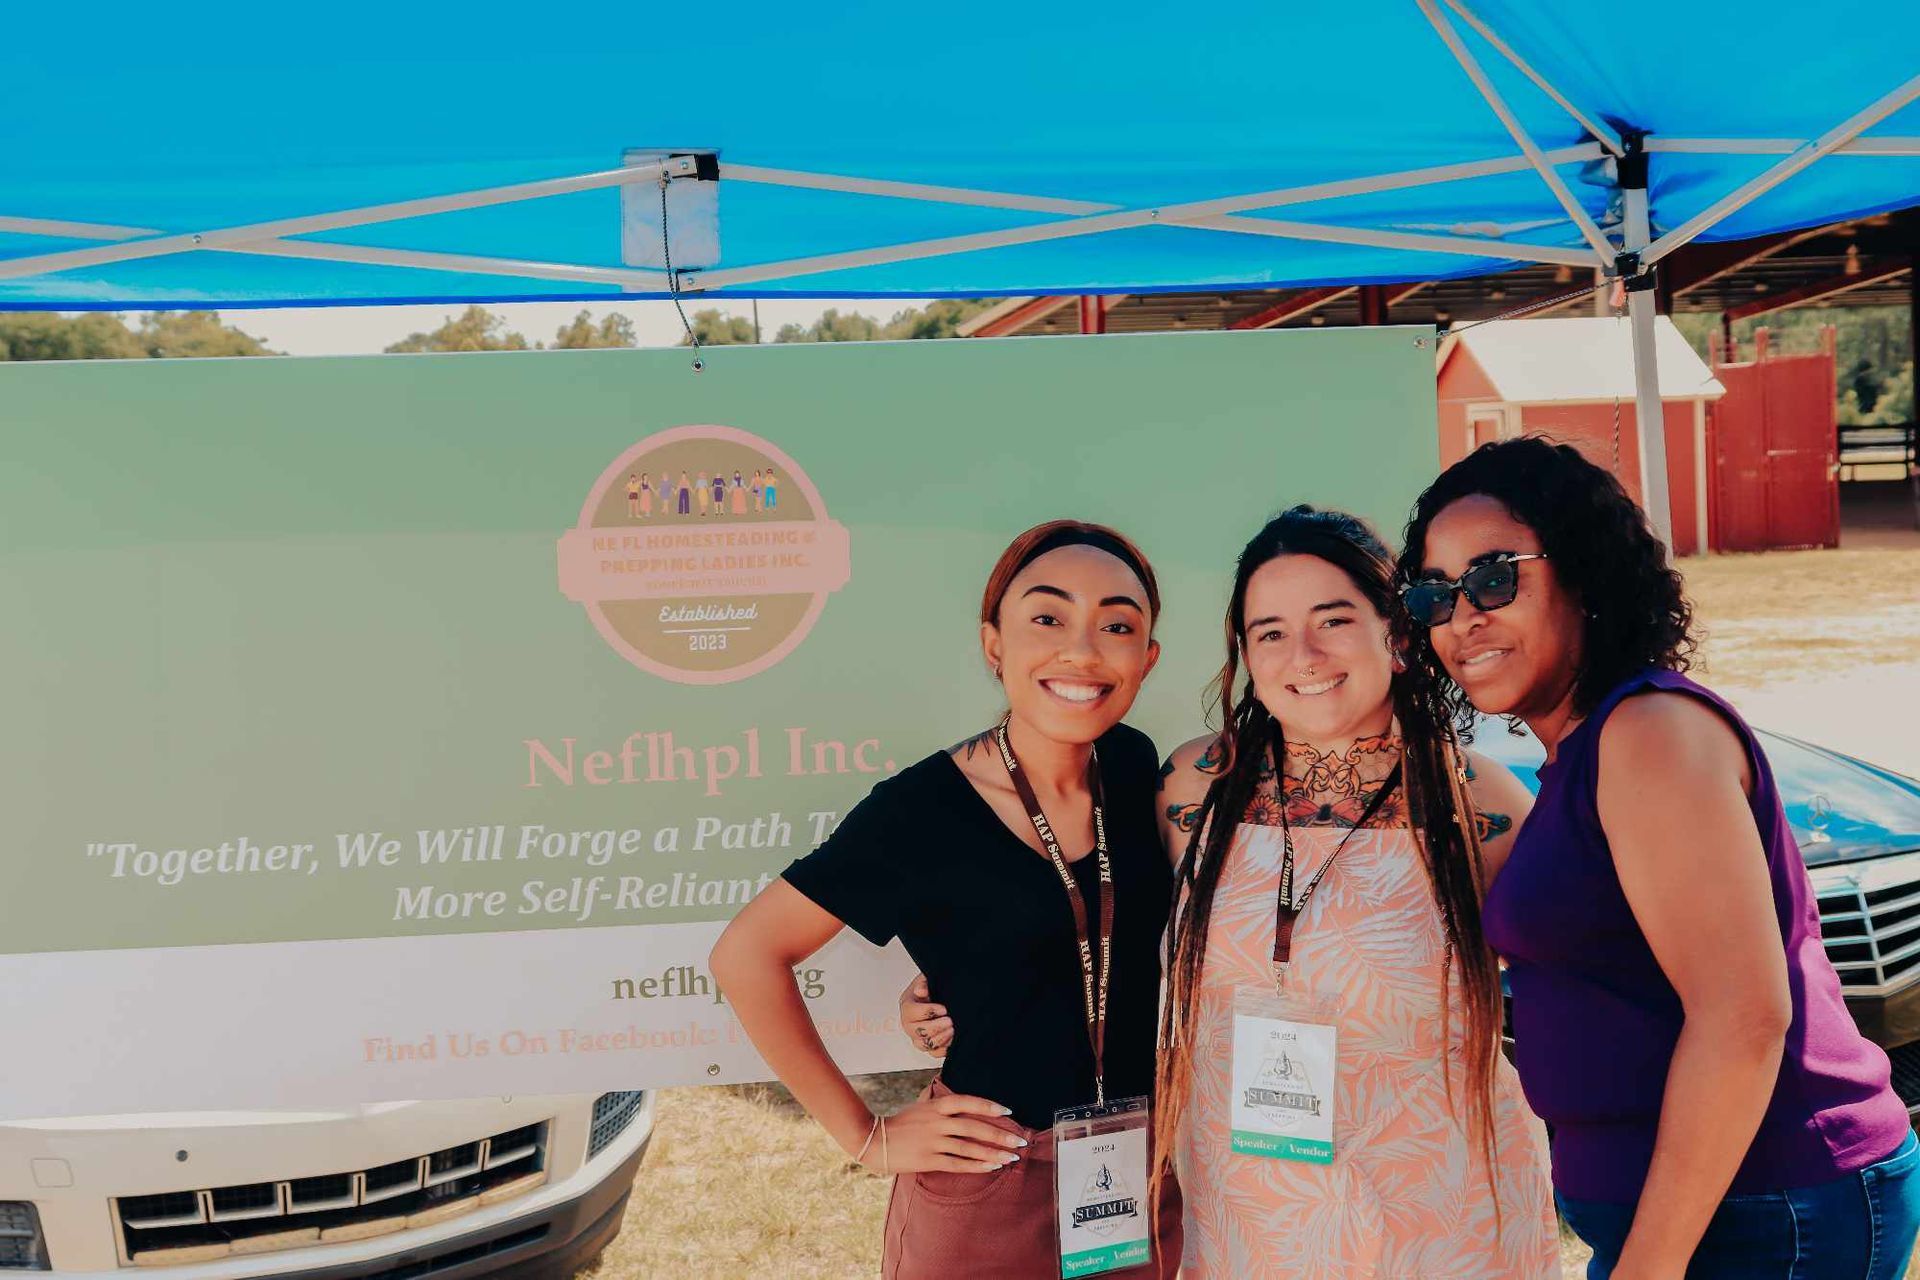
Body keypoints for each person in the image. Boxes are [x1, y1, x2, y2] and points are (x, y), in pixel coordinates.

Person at [906, 506, 1559, 1276]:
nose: (1304, 654)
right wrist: (957, 980)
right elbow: (1093, 911)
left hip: (1440, 1215)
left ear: (1398, 633)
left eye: (1334, 620)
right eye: (1270, 631)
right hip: (1247, 1213)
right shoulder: (1192, 787)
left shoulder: (1480, 810)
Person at [1397, 436, 1920, 1279]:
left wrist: (1650, 1264)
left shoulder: (1648, 734)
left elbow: (1743, 1018)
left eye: (1494, 577)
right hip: (1709, 1214)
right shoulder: (1581, 750)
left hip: (1766, 1211)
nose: (1463, 617)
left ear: (1583, 571)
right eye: (1432, 594)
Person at [712, 520, 1183, 1279]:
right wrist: (866, 1137)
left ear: (1147, 658)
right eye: (1047, 617)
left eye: (1118, 625)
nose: (1083, 649)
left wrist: (966, 974)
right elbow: (747, 954)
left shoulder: (1134, 770)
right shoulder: (920, 809)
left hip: (1139, 1174)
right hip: (989, 1182)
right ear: (994, 644)